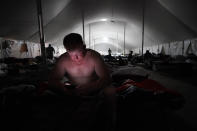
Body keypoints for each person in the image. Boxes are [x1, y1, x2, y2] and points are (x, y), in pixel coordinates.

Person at [48, 33, 116, 131]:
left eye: (79, 53)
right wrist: (62, 88)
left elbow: (107, 78)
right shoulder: (63, 59)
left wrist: (92, 87)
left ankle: (110, 125)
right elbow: (52, 80)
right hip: (74, 91)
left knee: (110, 91)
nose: (76, 58)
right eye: (72, 55)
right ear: (67, 51)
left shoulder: (93, 56)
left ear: (84, 47)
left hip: (95, 90)